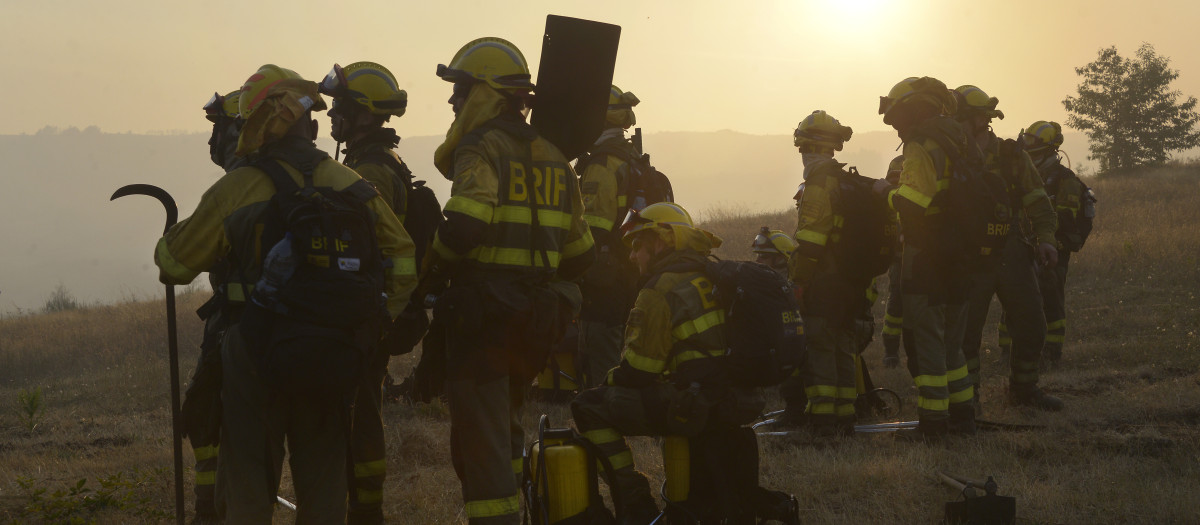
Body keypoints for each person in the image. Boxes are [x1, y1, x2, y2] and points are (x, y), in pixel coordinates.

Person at [154, 64, 418, 522]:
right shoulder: (351, 184)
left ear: (253, 125)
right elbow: (404, 259)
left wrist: (169, 237)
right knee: (323, 482)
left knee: (249, 482)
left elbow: (175, 264)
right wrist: (371, 326)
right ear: (311, 126)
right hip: (333, 350)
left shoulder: (238, 187)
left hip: (253, 349)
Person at [425, 37, 595, 525]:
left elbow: (464, 226)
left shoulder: (480, 148)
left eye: (460, 89)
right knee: (507, 426)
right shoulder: (556, 157)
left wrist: (429, 264)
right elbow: (582, 255)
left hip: (485, 321)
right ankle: (523, 513)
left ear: (485, 92)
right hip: (537, 319)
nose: (453, 101)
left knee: (481, 442)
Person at [571, 202, 734, 523]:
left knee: (588, 405)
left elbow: (640, 369)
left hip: (693, 404)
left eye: (638, 247)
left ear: (660, 242)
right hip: (730, 400)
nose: (632, 256)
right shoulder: (713, 275)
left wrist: (609, 383)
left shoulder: (659, 290)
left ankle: (634, 501)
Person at [318, 60, 416, 524]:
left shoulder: (372, 170)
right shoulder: (374, 161)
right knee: (362, 409)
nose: (333, 115)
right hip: (369, 311)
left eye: (341, 106)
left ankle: (365, 510)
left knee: (360, 413)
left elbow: (373, 246)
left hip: (364, 314)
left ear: (364, 113)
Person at [951, 86, 1063, 412]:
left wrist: (1046, 239)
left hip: (1010, 250)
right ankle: (967, 398)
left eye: (959, 119)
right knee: (965, 333)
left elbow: (1038, 201)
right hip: (967, 254)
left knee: (1031, 324)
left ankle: (1025, 389)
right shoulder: (948, 155)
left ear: (979, 119)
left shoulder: (1011, 156)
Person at [875, 76, 975, 439]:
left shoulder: (921, 145)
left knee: (929, 342)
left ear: (914, 111)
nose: (896, 126)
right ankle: (963, 416)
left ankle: (933, 425)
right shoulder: (960, 140)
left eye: (898, 117)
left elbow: (915, 204)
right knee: (952, 344)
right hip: (962, 254)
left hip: (928, 255)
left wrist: (885, 191)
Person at [179, 88, 245, 524]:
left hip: (237, 328)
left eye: (219, 129)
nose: (211, 142)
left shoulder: (237, 187)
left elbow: (177, 260)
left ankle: (211, 512)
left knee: (205, 413)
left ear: (240, 130)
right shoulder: (308, 178)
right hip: (295, 328)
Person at [787, 110, 863, 435]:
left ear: (812, 148)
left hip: (824, 281)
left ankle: (822, 425)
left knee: (820, 348)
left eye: (803, 148)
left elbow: (811, 242)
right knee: (843, 347)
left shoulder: (818, 184)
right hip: (849, 281)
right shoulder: (845, 180)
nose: (802, 154)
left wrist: (798, 282)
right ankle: (845, 418)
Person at [574, 85, 651, 388]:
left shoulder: (602, 165)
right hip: (631, 268)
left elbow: (593, 230)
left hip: (603, 279)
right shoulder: (632, 158)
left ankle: (604, 411)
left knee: (600, 353)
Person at [1018, 121, 1089, 367]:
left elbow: (1065, 218)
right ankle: (1007, 353)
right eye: (1025, 141)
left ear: (1048, 148)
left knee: (1051, 300)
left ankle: (1052, 353)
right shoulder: (1024, 174)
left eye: (1032, 144)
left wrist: (1045, 239)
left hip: (1054, 247)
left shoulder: (1064, 180)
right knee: (1015, 301)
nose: (1027, 148)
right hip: (1024, 245)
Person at [881, 155, 905, 369]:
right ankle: (891, 352)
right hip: (898, 259)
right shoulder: (886, 202)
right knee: (896, 303)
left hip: (922, 257)